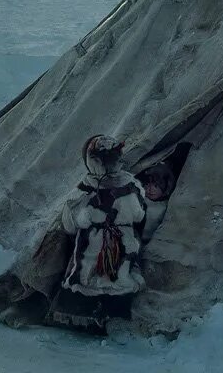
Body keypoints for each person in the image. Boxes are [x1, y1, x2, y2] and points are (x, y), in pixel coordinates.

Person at [48, 134, 145, 335]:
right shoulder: (130, 186)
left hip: (98, 243)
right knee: (115, 275)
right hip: (118, 242)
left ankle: (89, 318)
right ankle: (110, 316)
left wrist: (86, 218)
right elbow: (138, 214)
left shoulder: (87, 188)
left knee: (91, 276)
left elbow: (70, 224)